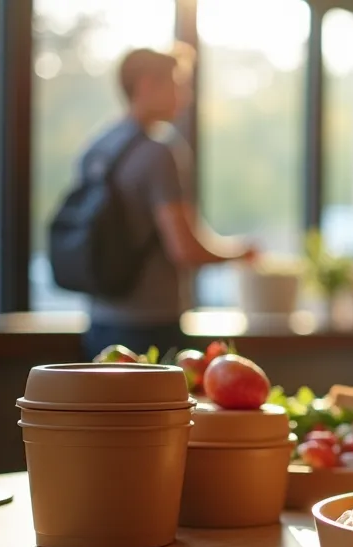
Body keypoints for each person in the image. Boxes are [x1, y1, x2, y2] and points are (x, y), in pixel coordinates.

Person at [77, 46, 256, 360]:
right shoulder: (159, 152)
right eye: (178, 84)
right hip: (150, 326)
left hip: (99, 321)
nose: (185, 96)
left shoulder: (97, 148)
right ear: (147, 85)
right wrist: (241, 252)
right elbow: (184, 248)